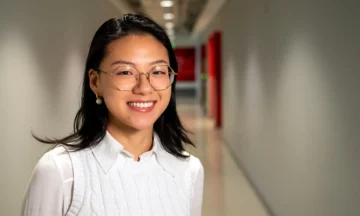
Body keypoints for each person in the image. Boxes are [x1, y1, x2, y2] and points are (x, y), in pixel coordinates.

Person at [21, 14, 204, 216]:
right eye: (125, 72)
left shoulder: (189, 170)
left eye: (158, 71)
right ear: (95, 82)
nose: (144, 88)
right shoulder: (60, 171)